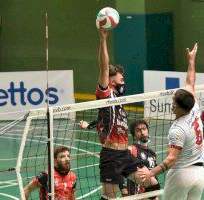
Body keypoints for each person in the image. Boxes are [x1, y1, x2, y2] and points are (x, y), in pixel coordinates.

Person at [78, 30, 159, 199]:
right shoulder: (105, 94)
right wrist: (103, 39)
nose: (124, 83)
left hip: (126, 155)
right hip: (111, 155)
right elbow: (103, 65)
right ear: (112, 81)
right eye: (122, 80)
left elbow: (104, 120)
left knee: (152, 184)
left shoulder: (120, 104)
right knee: (110, 197)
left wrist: (91, 124)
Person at [139, 43, 204, 200]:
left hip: (181, 174)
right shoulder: (194, 108)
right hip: (199, 174)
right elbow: (190, 82)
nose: (172, 103)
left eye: (174, 102)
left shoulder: (178, 129)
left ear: (177, 107)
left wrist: (151, 172)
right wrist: (191, 61)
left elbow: (171, 159)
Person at [126, 120, 158, 196]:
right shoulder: (132, 149)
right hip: (136, 195)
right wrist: (123, 188)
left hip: (150, 194)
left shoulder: (152, 153)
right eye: (138, 130)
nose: (143, 133)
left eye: (144, 129)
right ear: (134, 136)